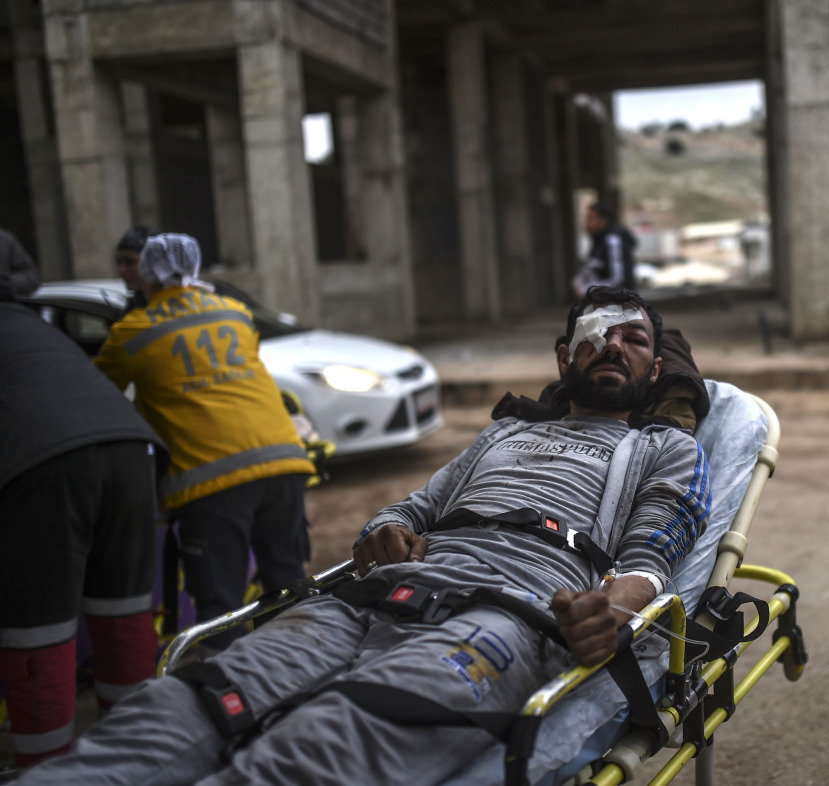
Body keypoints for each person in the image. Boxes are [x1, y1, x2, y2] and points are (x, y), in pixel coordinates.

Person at [17, 286, 711, 785]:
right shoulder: (507, 433)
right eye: (599, 333)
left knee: (318, 743)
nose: (614, 344)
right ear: (567, 357)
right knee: (177, 707)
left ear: (655, 369)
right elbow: (412, 507)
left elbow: (654, 556)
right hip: (367, 599)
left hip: (504, 618)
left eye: (635, 338)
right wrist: (387, 530)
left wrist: (614, 609)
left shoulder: (663, 449)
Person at [93, 233, 315, 648]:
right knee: (289, 587)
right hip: (285, 463)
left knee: (220, 609)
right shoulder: (234, 311)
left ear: (145, 271)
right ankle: (300, 669)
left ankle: (232, 696)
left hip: (213, 483)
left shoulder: (132, 331)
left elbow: (95, 395)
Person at [0, 229, 167, 769]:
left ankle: (48, 775)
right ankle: (138, 759)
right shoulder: (35, 325)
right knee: (122, 619)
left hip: (43, 469)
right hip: (130, 452)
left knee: (38, 636)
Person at [572, 202, 638, 296]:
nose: (587, 223)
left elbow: (618, 279)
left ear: (603, 220)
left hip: (618, 302)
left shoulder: (612, 240)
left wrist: (585, 289)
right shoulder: (599, 240)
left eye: (591, 218)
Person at [114, 224, 157, 313]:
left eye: (130, 262)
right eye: (118, 262)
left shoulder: (173, 305)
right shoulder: (134, 305)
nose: (122, 270)